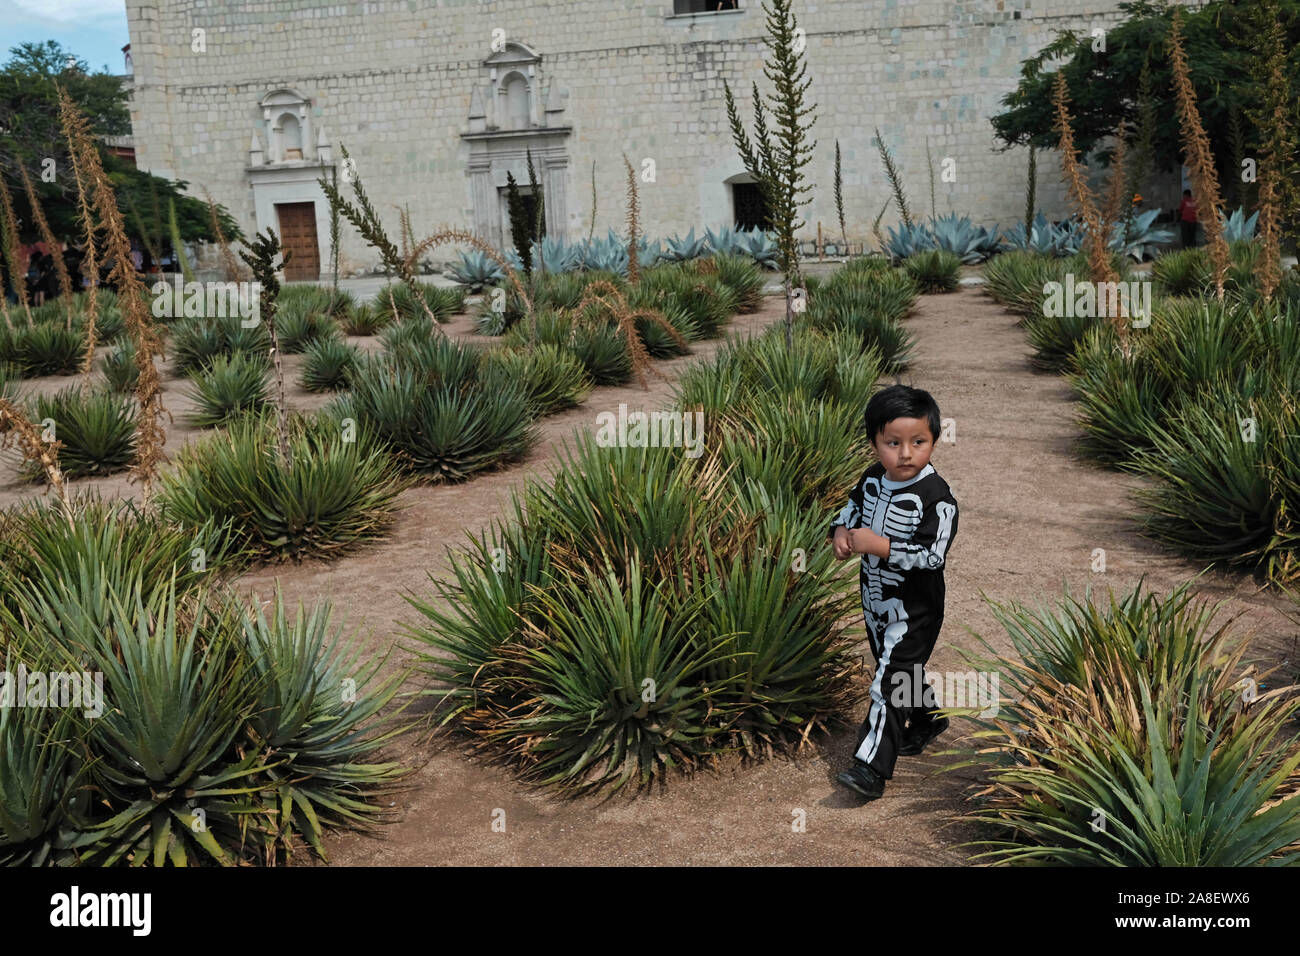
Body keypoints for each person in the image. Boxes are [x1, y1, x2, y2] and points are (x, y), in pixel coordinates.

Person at [826, 384, 960, 801]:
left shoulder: (937, 498)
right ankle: (926, 719)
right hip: (875, 599)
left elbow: (933, 556)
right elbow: (849, 508)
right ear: (874, 444)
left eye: (918, 442)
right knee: (897, 667)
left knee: (888, 679)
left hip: (915, 607)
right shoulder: (870, 479)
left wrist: (881, 546)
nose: (906, 453)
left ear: (933, 441)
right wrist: (842, 532)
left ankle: (870, 769)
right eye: (893, 443)